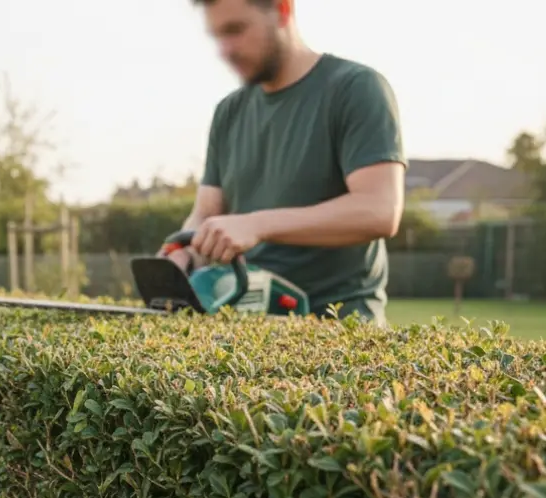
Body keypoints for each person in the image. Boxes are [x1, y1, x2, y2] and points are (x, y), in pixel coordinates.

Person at [164, 0, 406, 326]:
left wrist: (257, 224)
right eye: (218, 36)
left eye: (236, 30)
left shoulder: (355, 89)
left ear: (282, 9)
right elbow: (207, 212)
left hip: (340, 330)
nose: (225, 50)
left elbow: (379, 211)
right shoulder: (229, 112)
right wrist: (183, 252)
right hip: (245, 325)